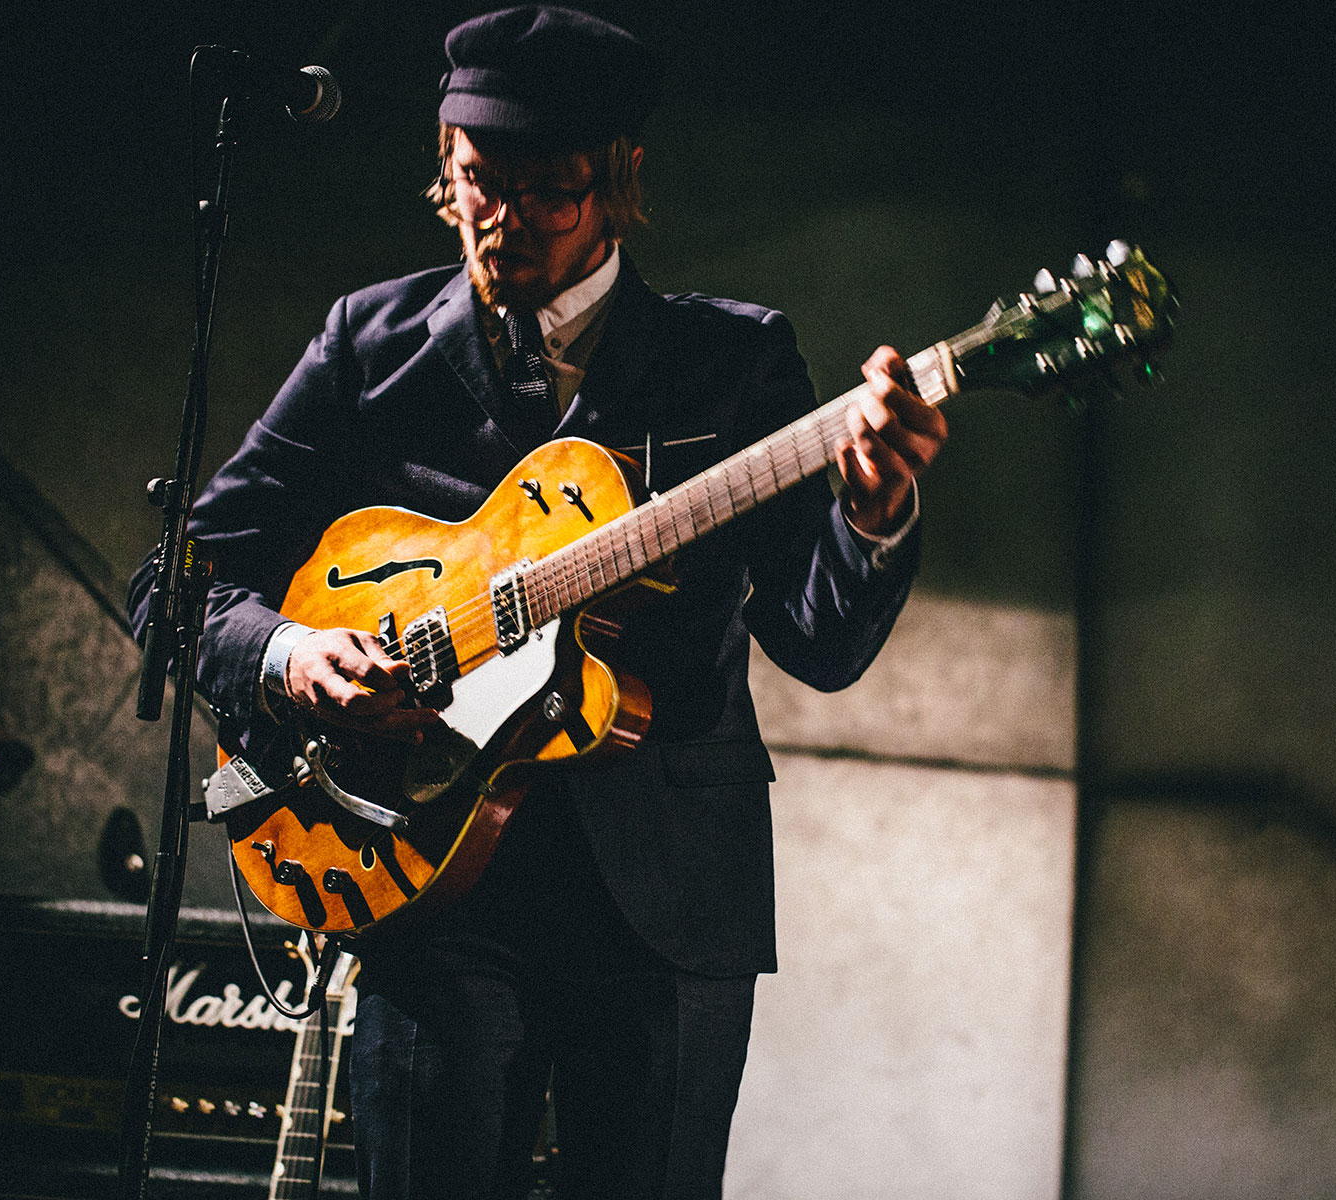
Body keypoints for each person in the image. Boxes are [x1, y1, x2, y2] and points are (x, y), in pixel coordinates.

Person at [130, 6, 946, 1197]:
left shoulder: (734, 365)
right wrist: (291, 656)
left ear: (619, 181)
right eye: (476, 180)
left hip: (665, 901)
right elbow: (180, 577)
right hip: (420, 868)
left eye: (545, 191)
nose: (500, 220)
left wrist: (872, 512)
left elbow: (816, 643)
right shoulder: (373, 343)